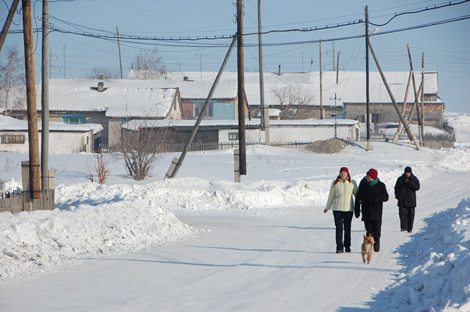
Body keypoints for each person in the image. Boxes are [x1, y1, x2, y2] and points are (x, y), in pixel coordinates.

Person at [324, 167, 357, 253]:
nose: (343, 174)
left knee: (347, 229)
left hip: (348, 210)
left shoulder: (352, 183)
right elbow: (331, 196)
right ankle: (339, 247)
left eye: (344, 173)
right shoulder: (335, 183)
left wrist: (361, 203)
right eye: (341, 173)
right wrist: (327, 207)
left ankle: (347, 246)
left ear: (347, 174)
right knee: (339, 229)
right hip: (337, 209)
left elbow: (357, 195)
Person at [354, 168, 389, 252]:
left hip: (377, 212)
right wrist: (357, 210)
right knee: (368, 229)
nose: (367, 178)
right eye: (367, 176)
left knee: (376, 230)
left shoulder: (381, 185)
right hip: (366, 211)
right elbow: (358, 197)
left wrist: (379, 198)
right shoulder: (363, 185)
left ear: (373, 177)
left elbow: (386, 197)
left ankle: (376, 241)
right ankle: (368, 244)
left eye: (369, 176)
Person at [394, 166, 420, 233]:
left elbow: (417, 187)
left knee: (411, 215)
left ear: (411, 172)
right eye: (406, 172)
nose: (407, 174)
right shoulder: (400, 179)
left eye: (408, 172)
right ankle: (403, 228)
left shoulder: (414, 179)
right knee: (402, 215)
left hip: (411, 201)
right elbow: (396, 188)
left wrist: (409, 182)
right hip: (402, 200)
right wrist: (397, 196)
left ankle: (410, 229)